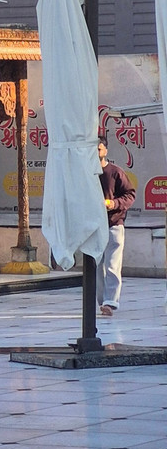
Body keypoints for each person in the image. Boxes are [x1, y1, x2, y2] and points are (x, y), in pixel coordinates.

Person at [97, 136, 136, 317]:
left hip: (114, 223)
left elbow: (130, 194)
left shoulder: (115, 172)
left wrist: (113, 204)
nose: (96, 153)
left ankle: (110, 302)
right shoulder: (85, 173)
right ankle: (101, 301)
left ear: (106, 151)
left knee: (112, 264)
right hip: (94, 227)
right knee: (96, 267)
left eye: (99, 149)